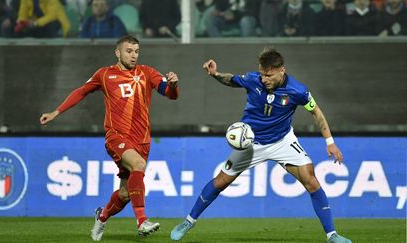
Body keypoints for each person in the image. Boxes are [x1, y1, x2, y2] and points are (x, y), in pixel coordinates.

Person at [170, 48, 351, 243]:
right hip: (251, 143)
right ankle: (188, 221)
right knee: (220, 182)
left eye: (269, 75)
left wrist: (330, 143)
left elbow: (316, 112)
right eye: (262, 74)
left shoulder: (298, 91)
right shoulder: (253, 79)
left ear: (282, 70)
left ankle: (332, 235)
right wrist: (215, 75)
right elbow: (231, 80)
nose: (264, 79)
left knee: (311, 181)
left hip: (283, 141)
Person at [39, 35, 179, 240]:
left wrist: (174, 85)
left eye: (136, 51)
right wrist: (55, 113)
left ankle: (102, 216)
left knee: (124, 195)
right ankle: (142, 221)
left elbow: (170, 94)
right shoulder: (104, 75)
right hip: (117, 136)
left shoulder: (147, 72)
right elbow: (81, 92)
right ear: (118, 53)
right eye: (129, 51)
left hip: (142, 140)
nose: (133, 55)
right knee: (138, 164)